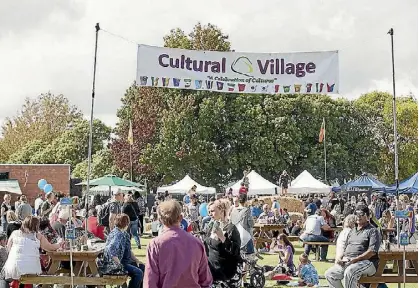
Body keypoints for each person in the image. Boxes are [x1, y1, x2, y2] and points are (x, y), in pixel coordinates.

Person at [143, 200, 212, 288]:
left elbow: (150, 281)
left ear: (160, 220)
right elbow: (205, 280)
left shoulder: (155, 244)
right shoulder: (196, 242)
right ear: (180, 217)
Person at [325, 205, 380, 288]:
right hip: (348, 261)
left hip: (368, 262)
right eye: (356, 214)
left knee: (350, 271)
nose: (358, 216)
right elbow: (346, 248)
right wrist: (341, 258)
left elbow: (372, 252)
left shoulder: (373, 231)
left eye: (361, 214)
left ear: (368, 216)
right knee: (330, 274)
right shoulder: (352, 231)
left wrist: (355, 260)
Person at [2, 216, 62, 280]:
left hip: (12, 268)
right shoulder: (38, 236)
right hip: (31, 268)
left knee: (7, 276)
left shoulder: (14, 233)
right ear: (36, 225)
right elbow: (49, 247)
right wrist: (59, 244)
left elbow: (8, 248)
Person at [205, 199, 242, 287]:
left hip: (226, 275)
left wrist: (222, 238)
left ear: (222, 211)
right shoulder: (211, 227)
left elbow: (236, 252)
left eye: (213, 211)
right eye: (209, 211)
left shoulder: (231, 228)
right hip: (212, 272)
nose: (210, 214)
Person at [105, 214, 144, 288]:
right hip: (114, 264)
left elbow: (128, 250)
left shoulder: (124, 233)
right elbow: (111, 250)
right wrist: (119, 265)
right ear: (126, 223)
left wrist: (136, 260)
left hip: (125, 261)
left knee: (142, 267)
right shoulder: (117, 234)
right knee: (138, 273)